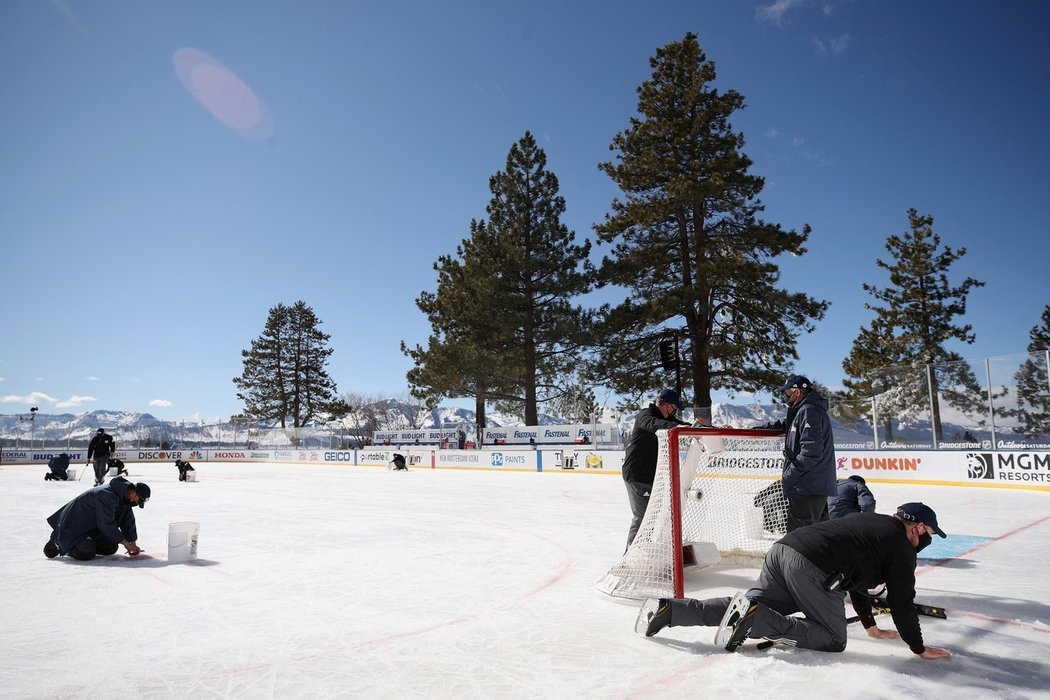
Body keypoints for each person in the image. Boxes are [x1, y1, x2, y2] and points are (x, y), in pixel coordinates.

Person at [637, 502, 951, 660]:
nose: (928, 541)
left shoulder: (873, 523)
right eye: (930, 535)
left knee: (744, 605)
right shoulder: (900, 546)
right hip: (814, 567)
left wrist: (870, 625)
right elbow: (901, 601)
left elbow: (857, 581)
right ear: (917, 527)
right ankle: (756, 619)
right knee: (833, 638)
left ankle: (670, 610)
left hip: (783, 551)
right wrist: (918, 647)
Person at [621, 388, 693, 549]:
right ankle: (629, 557)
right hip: (637, 475)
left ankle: (645, 550)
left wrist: (705, 428)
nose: (675, 412)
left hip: (651, 477)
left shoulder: (666, 418)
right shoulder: (645, 415)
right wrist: (677, 427)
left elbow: (682, 425)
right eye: (674, 408)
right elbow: (654, 424)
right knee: (642, 517)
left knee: (654, 516)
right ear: (667, 406)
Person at [43, 476, 151, 560]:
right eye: (138, 501)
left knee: (111, 547)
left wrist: (132, 543)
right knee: (85, 552)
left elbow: (128, 521)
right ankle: (58, 541)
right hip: (72, 528)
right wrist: (126, 544)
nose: (136, 504)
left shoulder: (124, 498)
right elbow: (106, 524)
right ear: (132, 494)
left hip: (90, 528)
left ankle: (87, 543)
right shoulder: (105, 495)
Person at [778, 374, 836, 531]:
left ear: (797, 391)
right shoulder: (805, 411)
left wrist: (789, 474)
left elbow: (810, 452)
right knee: (818, 538)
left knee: (799, 539)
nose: (786, 396)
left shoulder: (809, 411)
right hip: (813, 485)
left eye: (787, 392)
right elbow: (785, 425)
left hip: (807, 486)